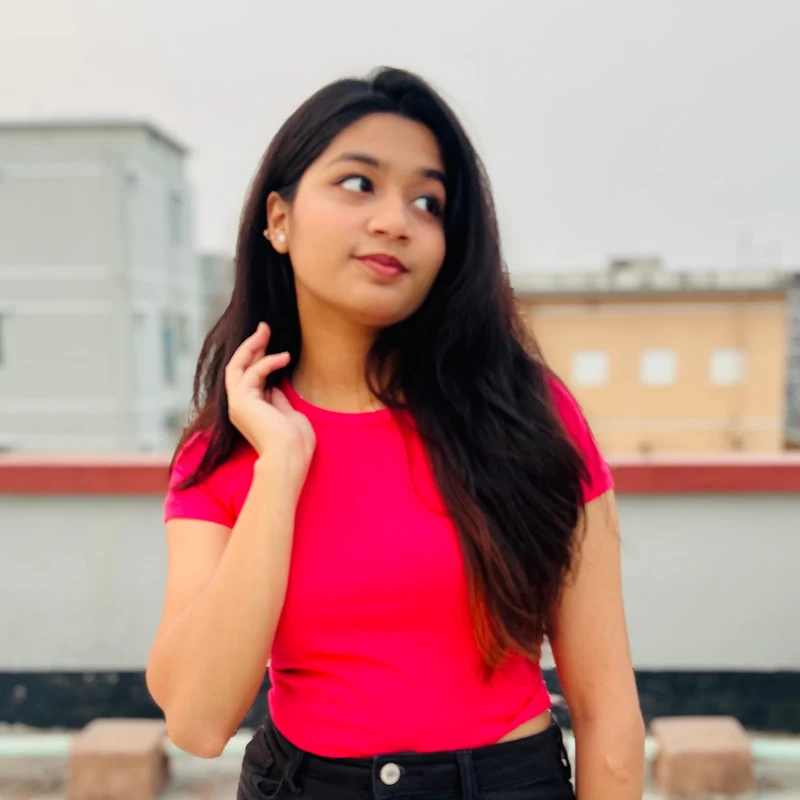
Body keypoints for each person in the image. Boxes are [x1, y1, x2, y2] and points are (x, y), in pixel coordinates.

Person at [146, 67, 644, 800]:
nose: (395, 220)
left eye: (428, 201)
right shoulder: (228, 450)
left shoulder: (527, 416)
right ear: (278, 218)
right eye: (358, 184)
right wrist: (279, 469)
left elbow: (608, 713)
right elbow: (196, 720)